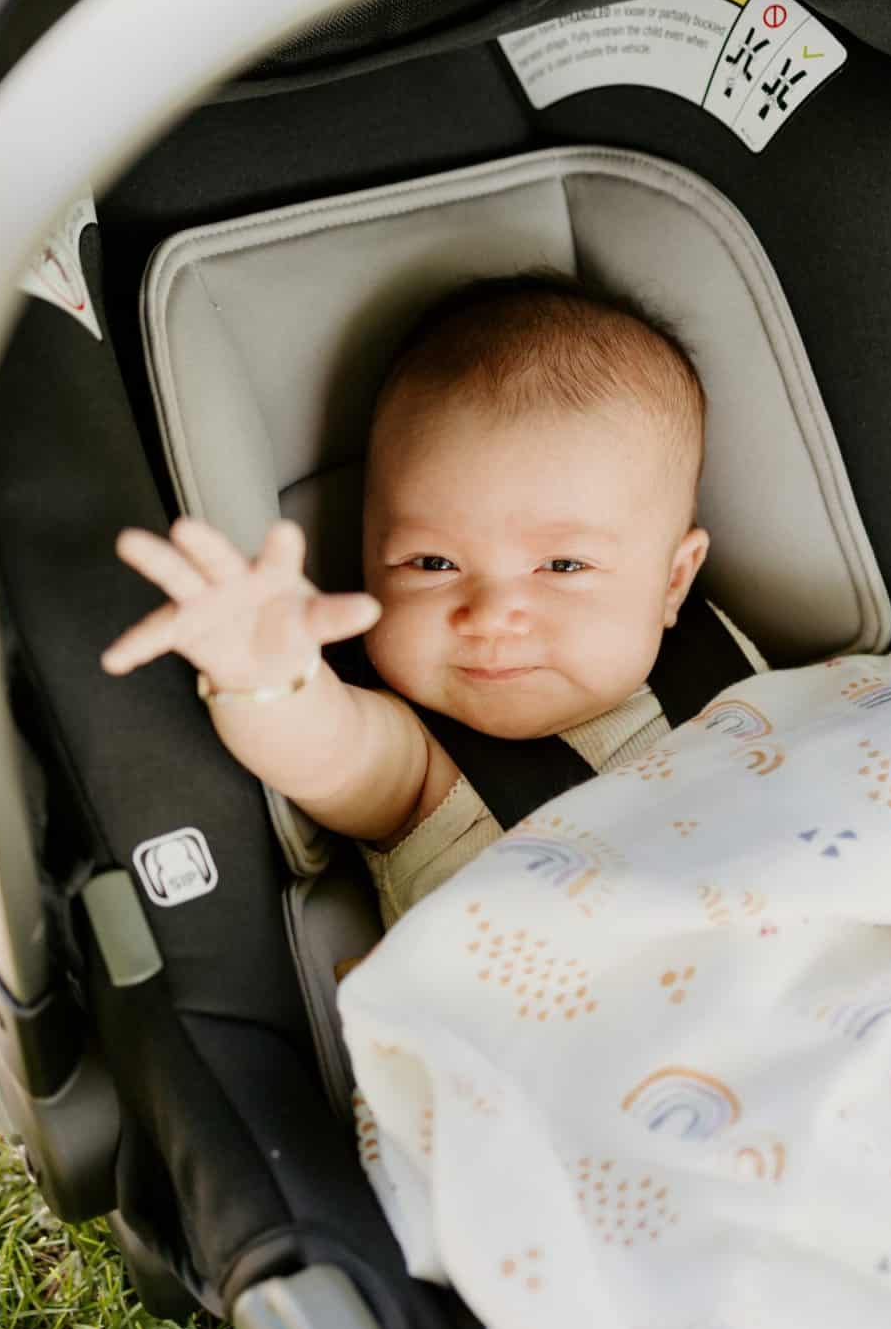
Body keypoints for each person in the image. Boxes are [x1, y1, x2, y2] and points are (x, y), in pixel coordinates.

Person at [102, 272, 762, 925]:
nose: (492, 615)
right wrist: (267, 673)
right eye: (434, 562)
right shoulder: (421, 765)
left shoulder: (739, 672)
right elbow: (328, 752)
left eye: (562, 565)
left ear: (674, 580)